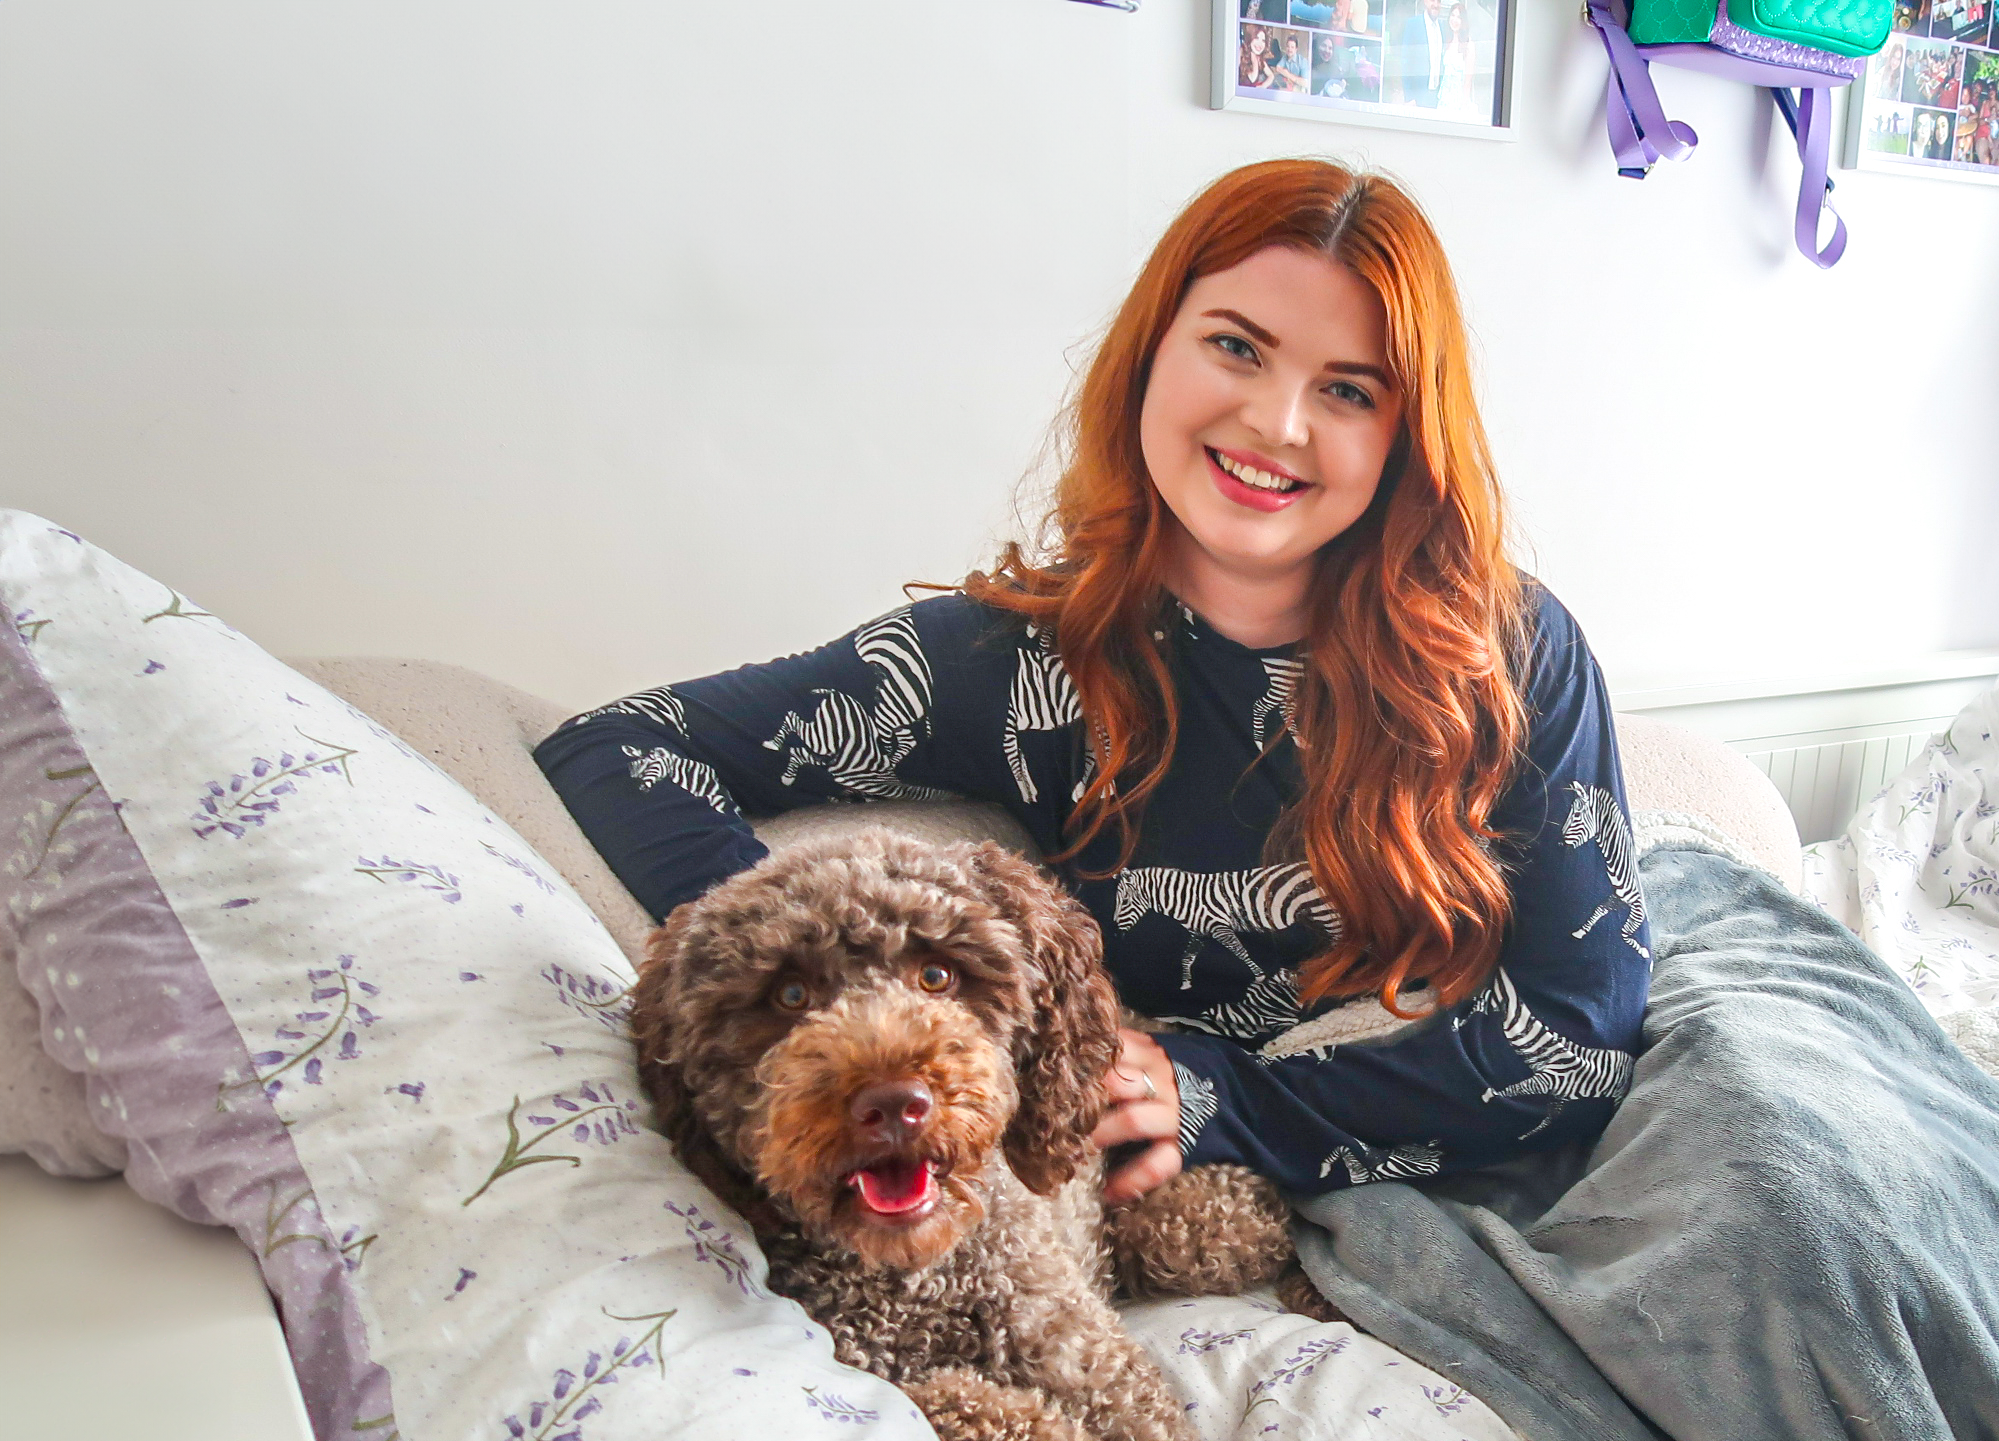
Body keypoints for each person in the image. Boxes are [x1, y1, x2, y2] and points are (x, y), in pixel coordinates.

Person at [538, 162, 1646, 1207]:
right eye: (1237, 348)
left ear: (1406, 436)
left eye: (1349, 390)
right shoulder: (1008, 666)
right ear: (1152, 352)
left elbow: (1585, 1036)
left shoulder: (1508, 650)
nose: (1279, 423)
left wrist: (1224, 1100)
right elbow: (619, 747)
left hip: (1470, 1157)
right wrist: (828, 984)